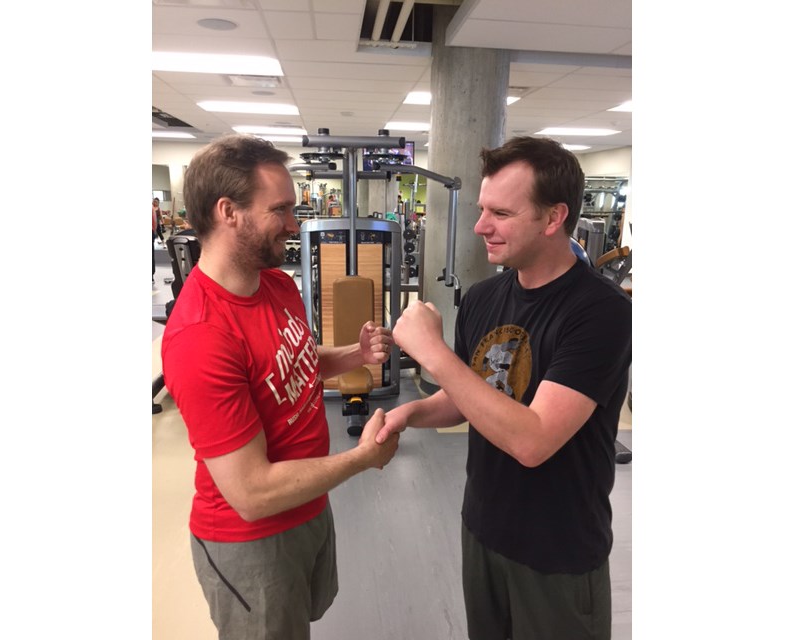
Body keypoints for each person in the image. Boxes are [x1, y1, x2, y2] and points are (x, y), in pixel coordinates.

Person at [376, 136, 631, 639]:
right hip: (484, 529)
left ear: (553, 218)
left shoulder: (601, 312)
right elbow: (473, 396)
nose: (480, 226)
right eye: (482, 209)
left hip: (558, 553)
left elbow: (532, 441)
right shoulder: (484, 296)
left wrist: (431, 352)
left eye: (501, 213)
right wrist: (409, 415)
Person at [160, 134, 400, 640]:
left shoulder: (276, 285)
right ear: (229, 212)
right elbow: (250, 493)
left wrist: (354, 356)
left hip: (307, 504)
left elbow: (293, 362)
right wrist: (361, 459)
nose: (295, 224)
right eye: (281, 210)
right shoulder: (201, 337)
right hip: (252, 538)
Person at [152, 197, 165, 282]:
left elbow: (159, 216)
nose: (155, 202)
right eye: (154, 201)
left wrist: (162, 221)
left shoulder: (156, 209)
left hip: (155, 225)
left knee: (160, 233)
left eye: (156, 201)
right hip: (153, 227)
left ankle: (163, 242)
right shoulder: (152, 207)